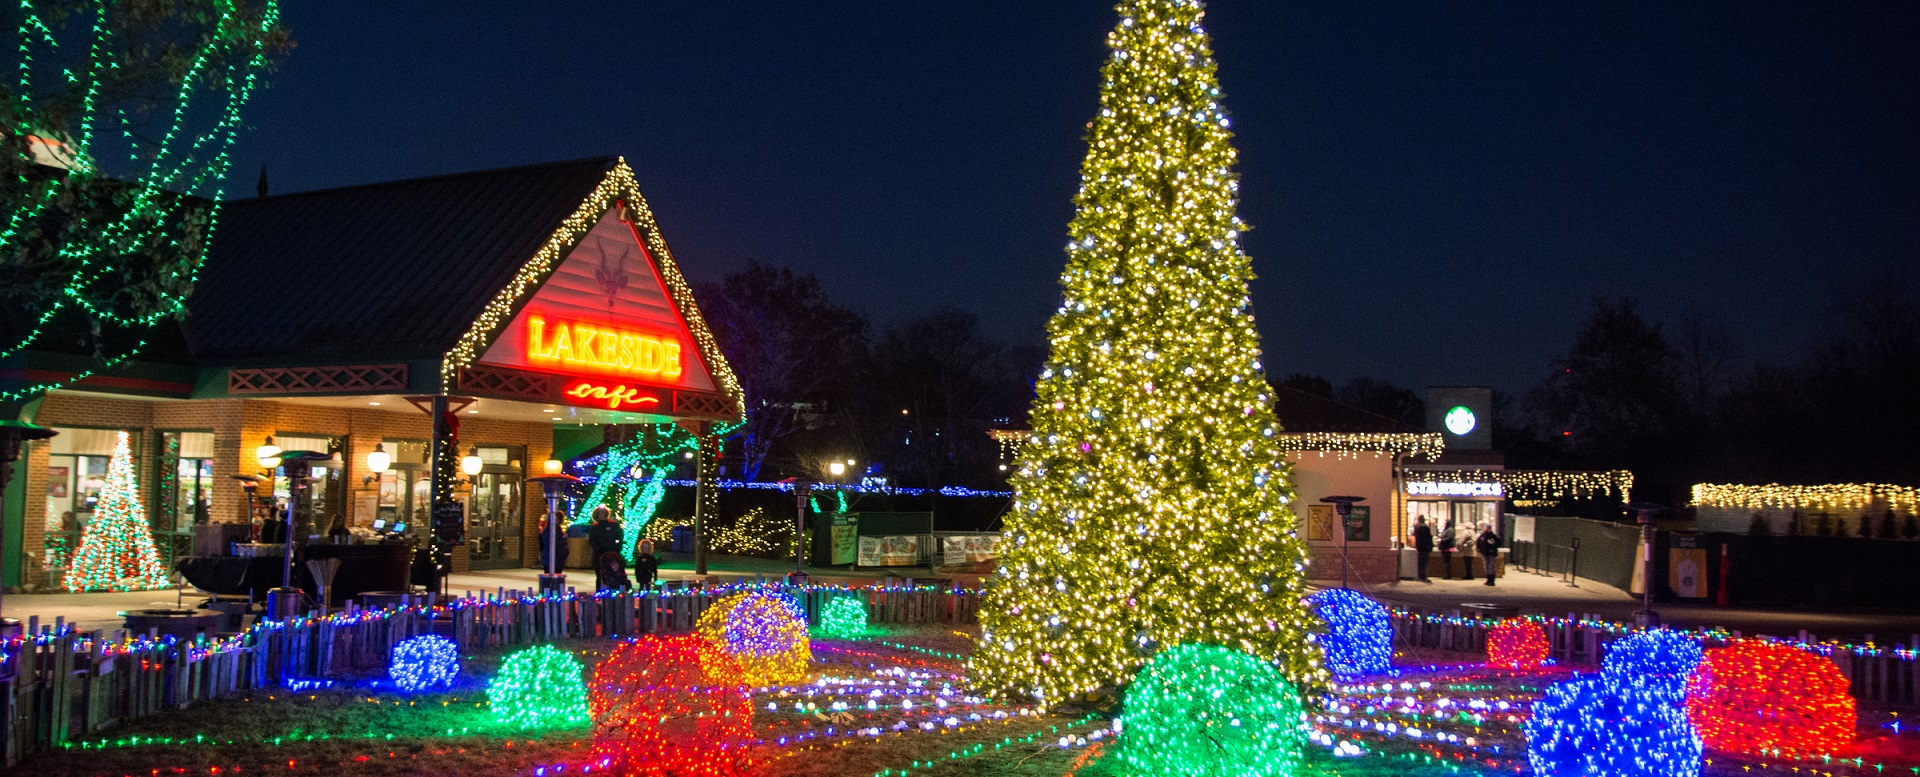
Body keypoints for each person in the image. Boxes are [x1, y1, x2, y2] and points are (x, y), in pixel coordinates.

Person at [587, 506, 629, 591]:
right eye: (599, 514)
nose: (601, 515)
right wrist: (598, 549)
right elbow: (592, 540)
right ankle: (600, 592)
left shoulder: (614, 525)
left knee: (614, 573)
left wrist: (617, 548)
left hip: (613, 554)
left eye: (603, 513)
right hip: (599, 555)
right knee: (600, 575)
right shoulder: (594, 527)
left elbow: (620, 537)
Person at [1411, 517, 1434, 582]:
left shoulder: (1416, 527)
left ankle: (1419, 575)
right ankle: (1423, 576)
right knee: (1424, 562)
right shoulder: (1426, 527)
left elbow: (1415, 535)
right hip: (1425, 547)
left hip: (1419, 547)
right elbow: (1429, 537)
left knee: (1419, 562)